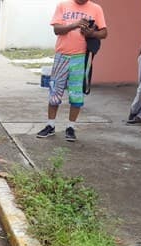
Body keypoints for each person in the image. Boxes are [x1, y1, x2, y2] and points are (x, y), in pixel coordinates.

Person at [36, 0, 107, 142]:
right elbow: (57, 29)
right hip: (61, 55)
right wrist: (75, 24)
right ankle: (50, 125)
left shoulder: (96, 8)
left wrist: (91, 33)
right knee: (55, 91)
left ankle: (71, 127)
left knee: (76, 94)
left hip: (81, 58)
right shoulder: (63, 6)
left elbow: (104, 33)